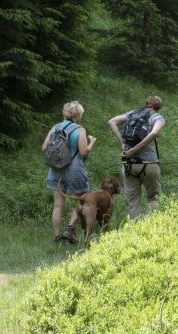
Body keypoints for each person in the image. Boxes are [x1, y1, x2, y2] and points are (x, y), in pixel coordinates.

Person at [42, 101, 96, 243]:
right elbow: (83, 152)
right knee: (83, 199)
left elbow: (44, 148)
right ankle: (70, 229)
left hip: (55, 169)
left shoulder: (55, 127)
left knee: (58, 204)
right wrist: (91, 143)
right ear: (78, 114)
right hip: (74, 168)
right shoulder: (79, 129)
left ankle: (57, 236)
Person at [108, 96, 165, 219]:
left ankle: (134, 230)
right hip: (148, 164)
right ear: (159, 107)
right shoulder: (157, 118)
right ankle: (151, 228)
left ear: (146, 104)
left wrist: (122, 143)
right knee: (153, 197)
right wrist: (135, 149)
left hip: (128, 164)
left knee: (132, 201)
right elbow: (154, 133)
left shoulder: (133, 114)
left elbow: (112, 121)